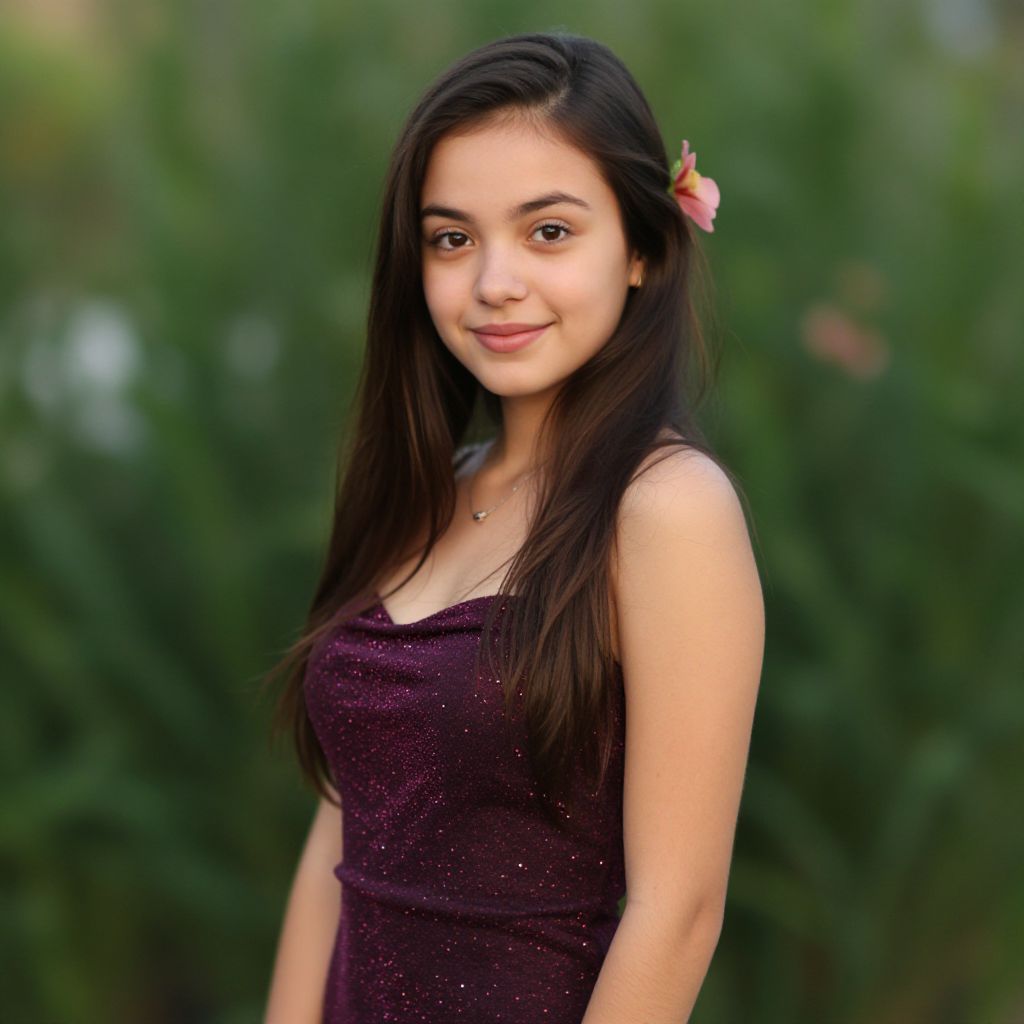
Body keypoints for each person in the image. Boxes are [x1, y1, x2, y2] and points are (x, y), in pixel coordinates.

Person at [262, 29, 764, 1024]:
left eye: (547, 232)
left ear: (642, 248)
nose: (494, 281)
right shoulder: (428, 491)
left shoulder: (666, 511)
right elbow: (341, 833)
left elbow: (677, 911)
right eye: (452, 238)